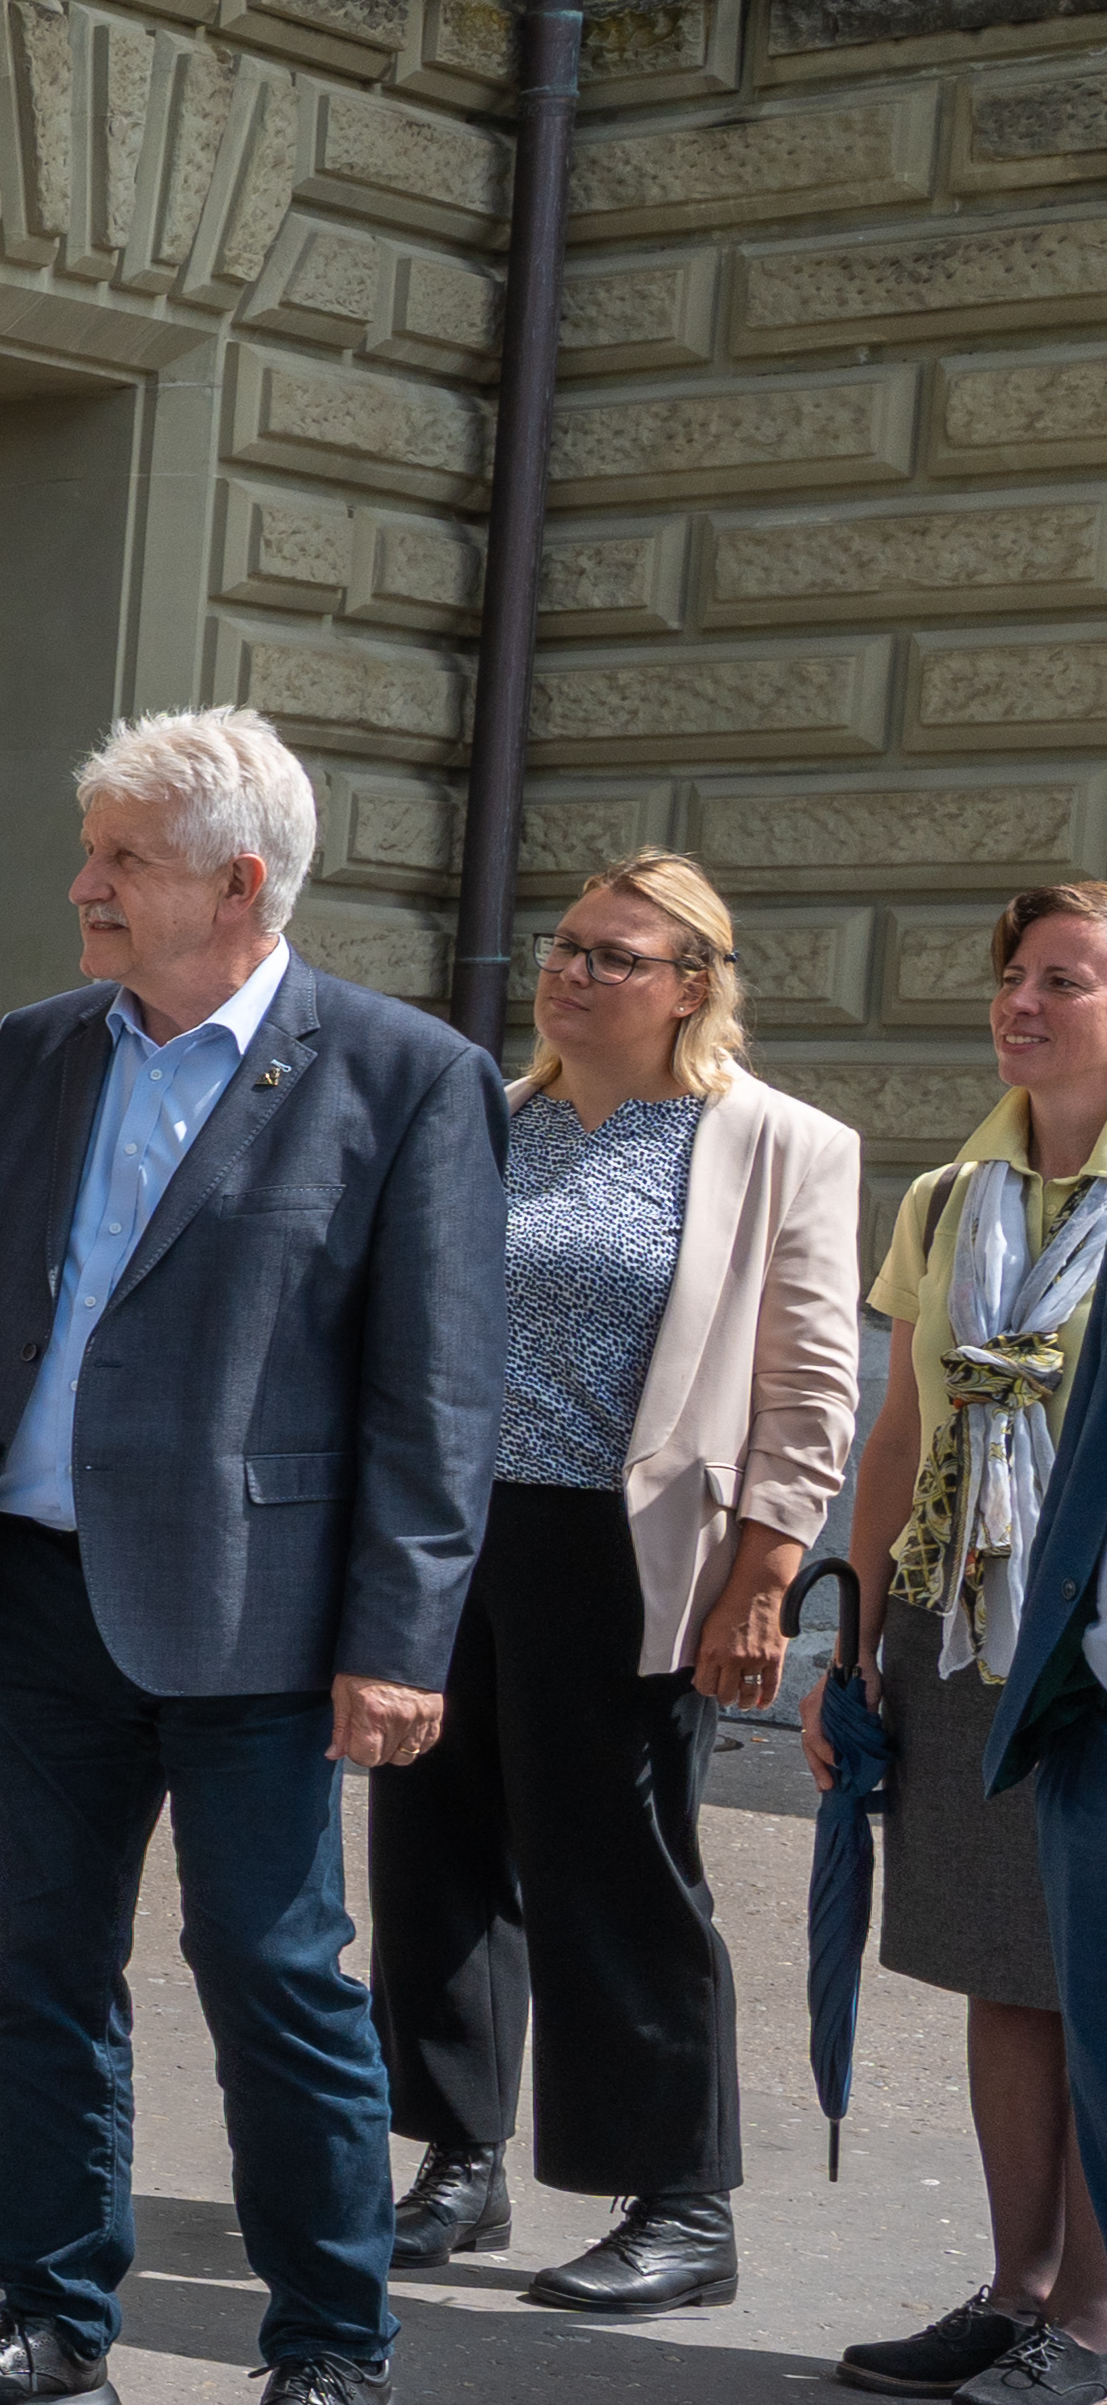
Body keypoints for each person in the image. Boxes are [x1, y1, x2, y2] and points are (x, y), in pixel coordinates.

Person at [0, 707, 502, 2405]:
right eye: (93, 854)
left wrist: (402, 1633)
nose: (83, 888)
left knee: (275, 1978)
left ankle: (331, 2358)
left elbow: (438, 1393)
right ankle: (49, 2324)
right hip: (39, 1589)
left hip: (265, 1620)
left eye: (118, 862)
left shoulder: (399, 1076)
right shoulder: (42, 1052)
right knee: (39, 1976)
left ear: (235, 882)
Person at [370, 858, 859, 2321]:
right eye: (565, 949)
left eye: (616, 957)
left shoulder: (774, 1143)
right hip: (452, 1539)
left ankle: (681, 2203)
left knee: (621, 1870)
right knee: (435, 1850)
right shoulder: (490, 1125)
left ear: (694, 984)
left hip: (629, 1552)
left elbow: (811, 1386)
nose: (573, 975)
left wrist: (764, 1581)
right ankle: (460, 2157)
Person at [838, 884, 1107, 2405]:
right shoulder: (948, 1198)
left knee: (1103, 1978)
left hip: (1089, 1639)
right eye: (1014, 977)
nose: (1024, 1003)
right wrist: (856, 1630)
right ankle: (1016, 2291)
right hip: (961, 1617)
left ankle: (1090, 2315)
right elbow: (897, 1427)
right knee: (1003, 1967)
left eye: (1064, 980)